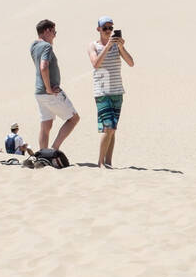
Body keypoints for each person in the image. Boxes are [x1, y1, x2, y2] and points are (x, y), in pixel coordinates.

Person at [89, 16, 135, 169]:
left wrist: (121, 47)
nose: (108, 31)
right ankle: (100, 163)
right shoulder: (93, 46)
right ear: (98, 29)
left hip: (117, 91)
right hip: (102, 91)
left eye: (110, 28)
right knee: (107, 127)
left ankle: (108, 162)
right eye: (105, 28)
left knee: (113, 129)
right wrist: (108, 46)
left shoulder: (116, 46)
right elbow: (96, 64)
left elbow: (131, 63)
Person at [32, 19, 80, 152]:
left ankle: (42, 155)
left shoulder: (34, 46)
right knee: (74, 119)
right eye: (54, 32)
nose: (55, 35)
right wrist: (48, 88)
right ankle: (54, 149)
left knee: (46, 125)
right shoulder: (46, 46)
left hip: (39, 93)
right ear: (47, 30)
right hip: (50, 91)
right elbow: (43, 67)